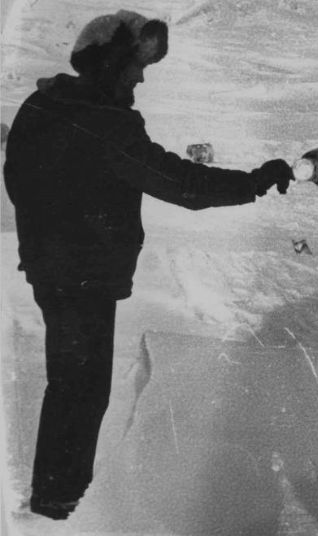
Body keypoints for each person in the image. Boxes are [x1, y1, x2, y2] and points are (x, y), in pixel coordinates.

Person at [2, 10, 294, 520]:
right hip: (83, 274)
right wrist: (252, 181)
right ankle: (60, 504)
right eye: (136, 67)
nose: (140, 78)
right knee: (81, 389)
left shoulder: (43, 101)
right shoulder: (107, 122)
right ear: (111, 63)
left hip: (53, 269)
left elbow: (16, 178)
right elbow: (181, 183)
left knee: (71, 385)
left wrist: (55, 227)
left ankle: (60, 497)